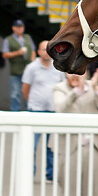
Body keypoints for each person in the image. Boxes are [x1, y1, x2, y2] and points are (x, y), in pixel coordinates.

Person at [22, 41, 64, 182]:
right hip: (36, 111)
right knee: (31, 145)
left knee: (51, 146)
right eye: (43, 50)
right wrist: (33, 102)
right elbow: (25, 88)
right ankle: (29, 173)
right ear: (38, 52)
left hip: (53, 112)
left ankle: (50, 174)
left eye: (48, 50)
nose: (46, 52)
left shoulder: (58, 67)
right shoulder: (32, 67)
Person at [2, 19, 36, 111]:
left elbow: (33, 50)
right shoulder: (8, 39)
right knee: (15, 94)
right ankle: (15, 112)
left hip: (28, 70)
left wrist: (32, 60)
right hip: (16, 71)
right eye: (18, 27)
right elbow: (5, 54)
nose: (20, 29)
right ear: (13, 28)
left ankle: (29, 110)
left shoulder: (28, 37)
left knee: (28, 92)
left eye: (21, 27)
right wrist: (18, 53)